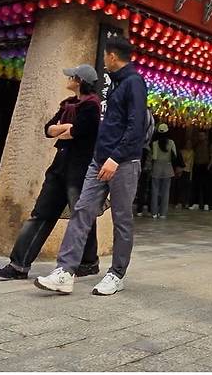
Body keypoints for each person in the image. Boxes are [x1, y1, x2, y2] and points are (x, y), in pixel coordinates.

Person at [34, 36, 148, 296]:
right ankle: (65, 271)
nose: (104, 61)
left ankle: (116, 274)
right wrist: (100, 157)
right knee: (82, 211)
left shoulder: (134, 83)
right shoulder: (115, 85)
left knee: (121, 219)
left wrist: (115, 158)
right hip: (99, 162)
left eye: (106, 57)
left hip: (123, 163)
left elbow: (136, 126)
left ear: (111, 56)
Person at [0, 65, 101, 280]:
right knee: (41, 214)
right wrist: (64, 128)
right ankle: (18, 265)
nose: (68, 79)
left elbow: (77, 132)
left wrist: (65, 129)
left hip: (79, 168)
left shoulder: (91, 106)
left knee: (81, 216)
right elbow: (48, 129)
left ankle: (89, 262)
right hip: (59, 166)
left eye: (72, 76)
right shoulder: (68, 104)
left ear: (80, 80)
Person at [149, 123, 183, 219]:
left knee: (155, 191)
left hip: (157, 167)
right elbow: (175, 155)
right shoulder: (171, 142)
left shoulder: (155, 143)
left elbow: (154, 157)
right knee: (166, 191)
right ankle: (163, 213)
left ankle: (154, 212)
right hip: (168, 167)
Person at [189, 131, 212, 211]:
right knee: (196, 185)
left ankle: (206, 204)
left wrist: (209, 166)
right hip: (197, 166)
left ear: (205, 136)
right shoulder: (196, 145)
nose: (201, 137)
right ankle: (196, 203)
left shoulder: (209, 145)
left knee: (206, 186)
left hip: (205, 166)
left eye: (202, 135)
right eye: (199, 135)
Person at [176, 139, 194, 209]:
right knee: (181, 187)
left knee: (187, 188)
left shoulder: (192, 152)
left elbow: (191, 164)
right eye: (187, 143)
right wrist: (178, 171)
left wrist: (191, 175)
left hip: (188, 171)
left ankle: (186, 202)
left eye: (190, 144)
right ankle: (179, 202)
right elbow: (179, 162)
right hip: (182, 171)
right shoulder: (182, 151)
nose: (188, 145)